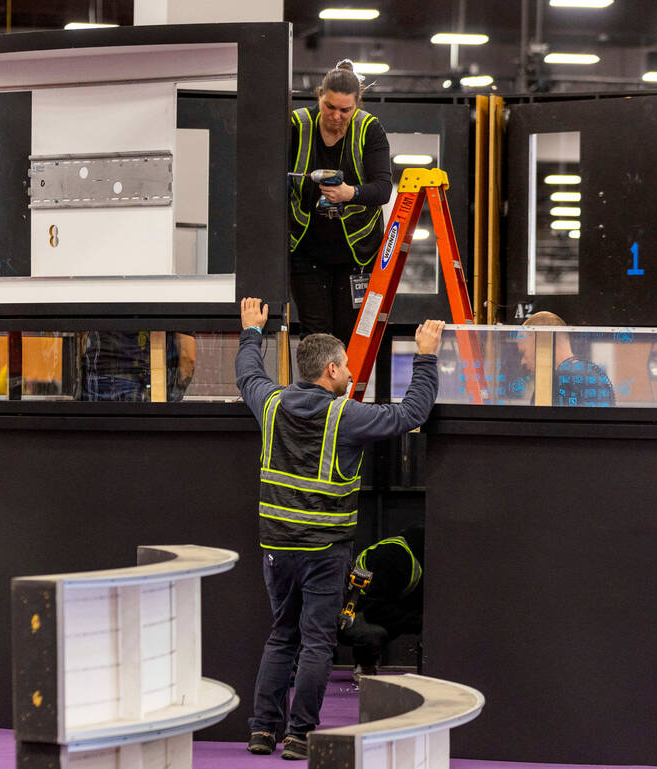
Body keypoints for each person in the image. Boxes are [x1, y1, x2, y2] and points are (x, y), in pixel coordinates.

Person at [236, 297, 443, 760]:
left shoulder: (269, 404)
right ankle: (298, 735)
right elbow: (411, 414)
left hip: (276, 547)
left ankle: (261, 731)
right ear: (329, 371)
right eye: (346, 366)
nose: (351, 373)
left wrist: (252, 331)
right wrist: (425, 356)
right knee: (315, 643)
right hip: (324, 552)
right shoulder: (344, 416)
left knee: (281, 635)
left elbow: (248, 373)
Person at [289, 59, 393, 343]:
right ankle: (316, 389)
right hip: (306, 251)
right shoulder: (297, 124)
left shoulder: (370, 129)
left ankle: (344, 389)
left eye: (345, 110)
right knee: (317, 337)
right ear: (319, 94)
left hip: (356, 254)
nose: (336, 116)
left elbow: (383, 189)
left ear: (357, 104)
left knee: (350, 336)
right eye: (329, 107)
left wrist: (351, 193)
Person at [337, 524, 424, 685]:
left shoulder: (409, 554)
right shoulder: (395, 557)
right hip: (346, 616)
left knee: (404, 618)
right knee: (377, 631)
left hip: (363, 608)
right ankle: (364, 664)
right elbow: (374, 610)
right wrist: (419, 623)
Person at [516, 311, 615, 406]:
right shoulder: (591, 373)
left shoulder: (557, 382)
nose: (522, 362)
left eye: (523, 353)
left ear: (543, 343)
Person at [78, 331, 196, 402]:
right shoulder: (171, 298)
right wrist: (174, 395)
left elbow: (82, 339)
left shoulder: (101, 292)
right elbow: (187, 359)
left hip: (94, 379)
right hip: (135, 384)